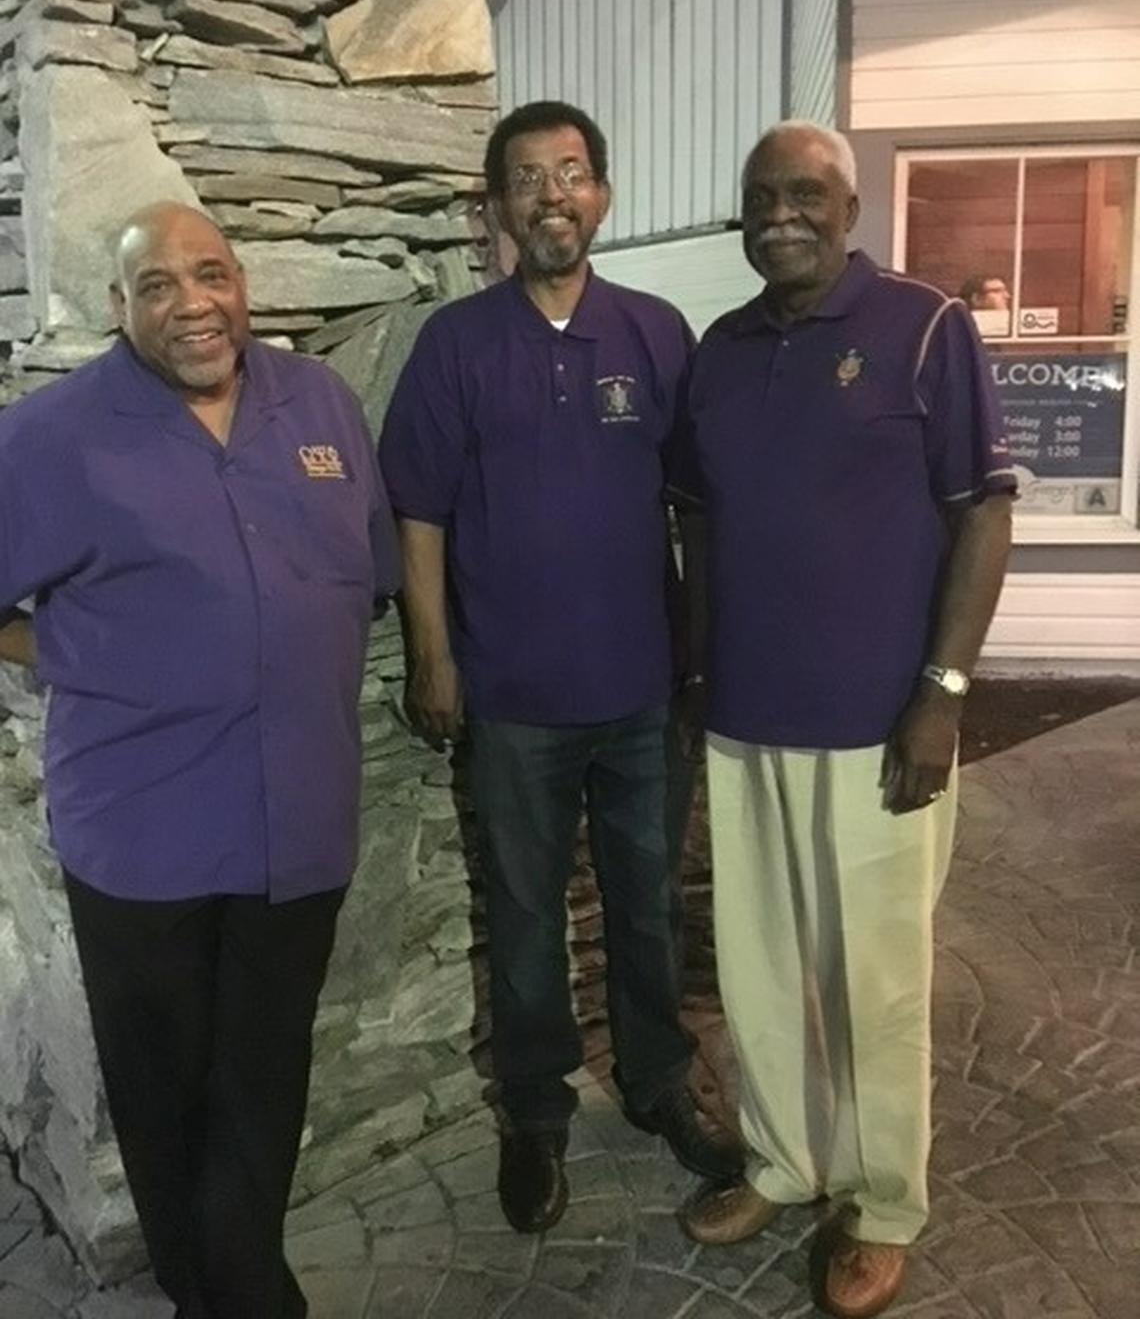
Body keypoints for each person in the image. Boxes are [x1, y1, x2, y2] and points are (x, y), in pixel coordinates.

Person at [0, 203, 400, 1319]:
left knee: (265, 1076)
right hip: (145, 835)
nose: (193, 304)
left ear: (242, 283)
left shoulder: (319, 404)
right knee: (164, 1089)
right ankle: (218, 1290)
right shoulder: (50, 436)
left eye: (210, 274)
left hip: (299, 821)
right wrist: (75, 648)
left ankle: (239, 1275)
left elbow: (365, 568)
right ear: (119, 307)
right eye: (157, 285)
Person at [379, 100, 742, 1235]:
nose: (553, 195)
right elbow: (418, 511)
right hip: (513, 698)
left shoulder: (656, 333)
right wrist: (434, 655)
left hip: (641, 693)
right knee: (528, 915)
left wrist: (701, 653)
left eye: (572, 173)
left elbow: (695, 502)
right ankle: (536, 1111)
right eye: (529, 177)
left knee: (648, 907)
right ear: (497, 207)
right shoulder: (456, 345)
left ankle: (657, 1080)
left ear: (603, 196)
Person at [676, 123, 1015, 1319]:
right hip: (746, 719)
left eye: (805, 194)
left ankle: (881, 1202)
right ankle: (784, 1159)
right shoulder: (720, 351)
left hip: (881, 728)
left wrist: (943, 694)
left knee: (873, 978)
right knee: (761, 966)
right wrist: (697, 676)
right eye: (762, 195)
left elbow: (983, 514)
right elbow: (699, 521)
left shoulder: (924, 327)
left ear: (849, 209)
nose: (781, 214)